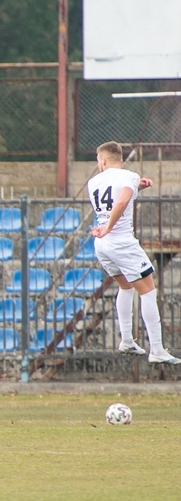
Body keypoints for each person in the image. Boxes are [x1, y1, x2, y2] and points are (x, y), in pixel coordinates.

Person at [87, 141, 180, 364]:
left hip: (102, 245)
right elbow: (121, 201)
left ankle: (127, 340)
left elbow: (113, 198)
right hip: (121, 242)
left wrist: (137, 187)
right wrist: (110, 225)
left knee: (125, 286)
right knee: (148, 291)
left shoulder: (93, 182)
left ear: (103, 160)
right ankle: (156, 349)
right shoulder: (129, 176)